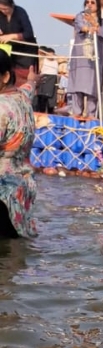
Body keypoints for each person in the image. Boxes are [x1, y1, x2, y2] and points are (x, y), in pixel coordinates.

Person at [0, 49, 37, 238]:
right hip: (24, 190)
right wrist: (32, 79)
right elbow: (29, 87)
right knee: (13, 259)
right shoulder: (23, 98)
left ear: (5, 76)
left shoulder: (1, 107)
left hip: (3, 196)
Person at [67, 0, 103, 119]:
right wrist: (91, 26)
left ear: (98, 5)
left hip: (93, 58)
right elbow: (81, 27)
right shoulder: (80, 16)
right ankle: (76, 112)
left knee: (92, 85)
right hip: (80, 56)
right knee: (77, 85)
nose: (89, 4)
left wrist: (94, 23)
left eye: (92, 2)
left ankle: (91, 113)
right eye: (87, 2)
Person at [0, 0, 37, 83]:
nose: (3, 11)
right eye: (0, 9)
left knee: (24, 80)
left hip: (25, 54)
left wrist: (12, 36)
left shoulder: (20, 12)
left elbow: (29, 34)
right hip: (9, 53)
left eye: (5, 9)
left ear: (11, 5)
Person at [35, 46, 59, 113]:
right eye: (49, 53)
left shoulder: (56, 61)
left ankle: (51, 113)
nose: (51, 55)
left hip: (53, 81)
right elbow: (39, 70)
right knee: (42, 99)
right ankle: (41, 113)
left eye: (52, 54)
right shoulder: (43, 60)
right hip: (44, 80)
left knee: (51, 101)